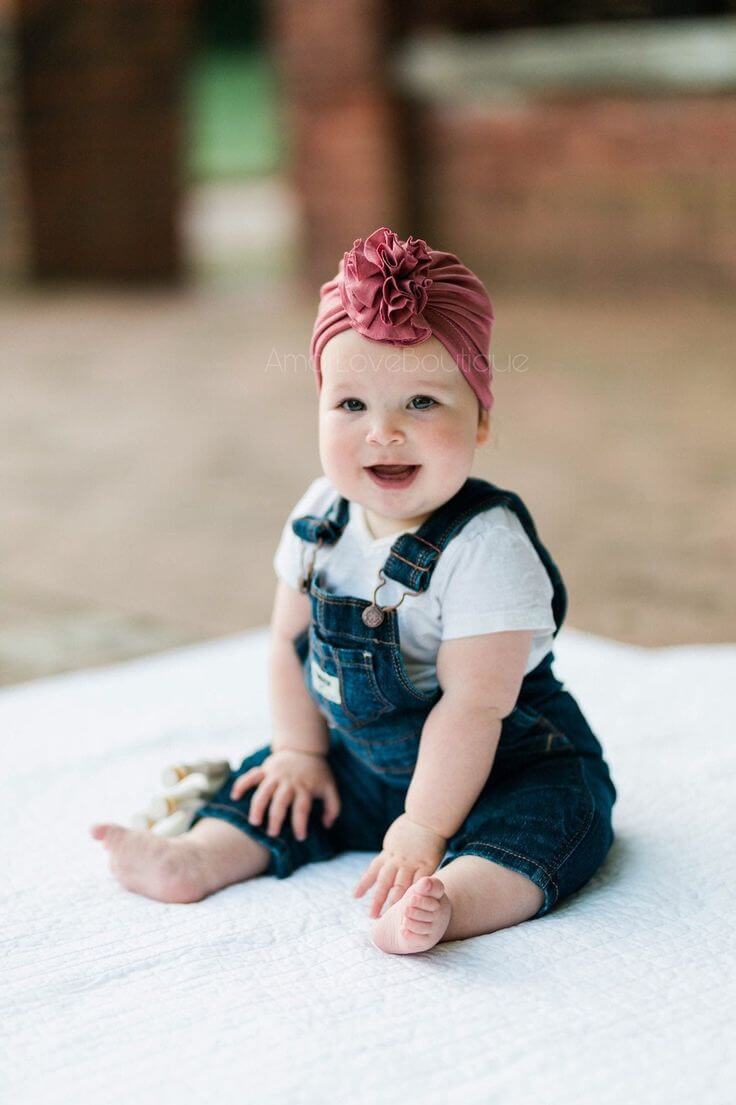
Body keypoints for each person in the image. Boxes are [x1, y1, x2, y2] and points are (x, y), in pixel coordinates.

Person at [91, 227, 616, 955]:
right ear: (320, 407)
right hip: (364, 764)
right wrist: (300, 751)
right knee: (272, 784)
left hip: (505, 764)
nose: (385, 433)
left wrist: (426, 828)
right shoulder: (318, 520)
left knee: (555, 824)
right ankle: (200, 855)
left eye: (424, 403)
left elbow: (475, 704)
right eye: (351, 406)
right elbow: (285, 641)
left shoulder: (486, 548)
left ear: (483, 419)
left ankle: (451, 901)